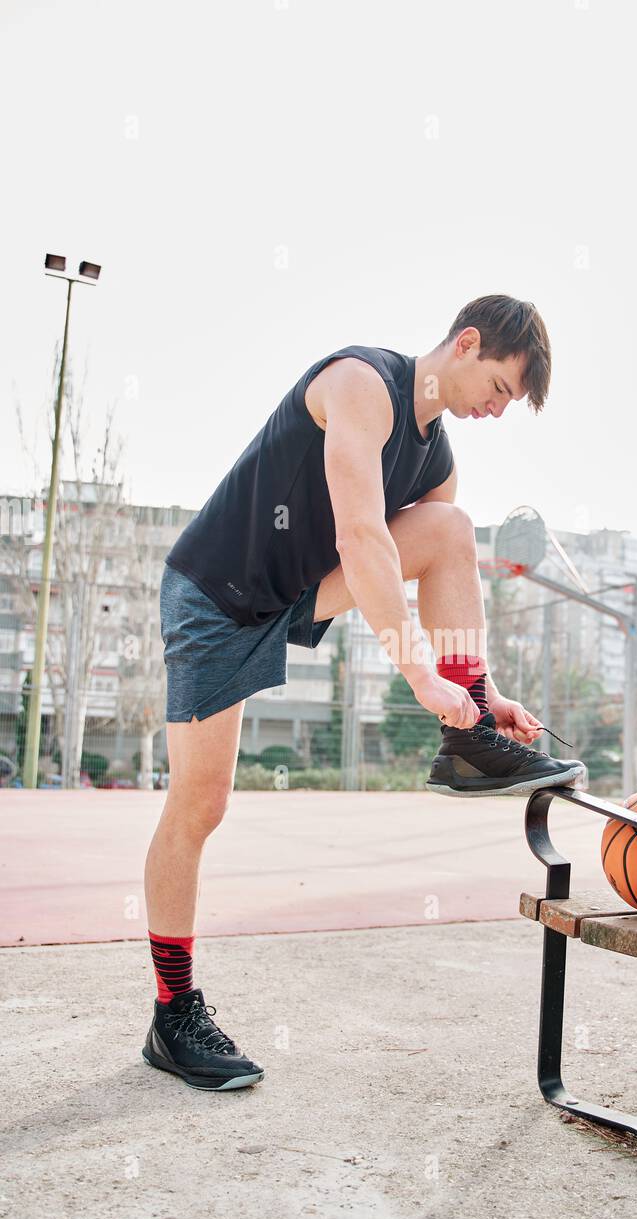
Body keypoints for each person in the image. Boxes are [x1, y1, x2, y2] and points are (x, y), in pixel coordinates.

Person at [142, 293, 585, 1091]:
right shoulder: (359, 383)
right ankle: (173, 1016)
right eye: (499, 387)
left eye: (509, 404)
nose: (496, 408)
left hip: (287, 597)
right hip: (214, 596)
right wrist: (416, 669)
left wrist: (475, 693)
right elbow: (362, 536)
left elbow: (425, 564)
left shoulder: (438, 458)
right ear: (467, 343)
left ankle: (470, 738)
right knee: (200, 805)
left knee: (451, 529)